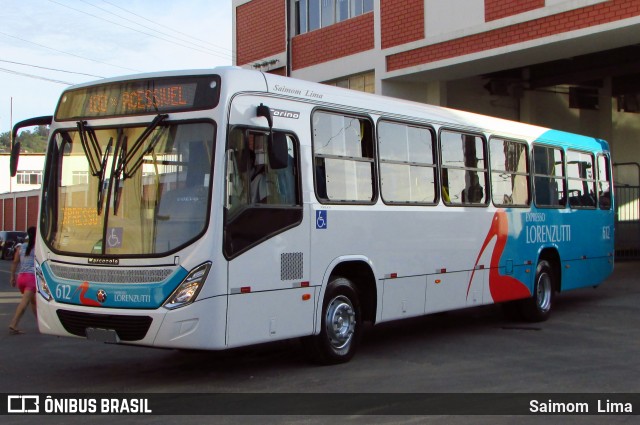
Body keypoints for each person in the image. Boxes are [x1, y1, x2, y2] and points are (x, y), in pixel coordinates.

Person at [9, 226, 37, 335]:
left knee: (33, 301)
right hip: (31, 278)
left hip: (21, 277)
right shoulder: (38, 247)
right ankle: (14, 323)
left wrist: (12, 277)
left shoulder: (21, 247)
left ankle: (40, 323)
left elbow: (15, 262)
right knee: (24, 303)